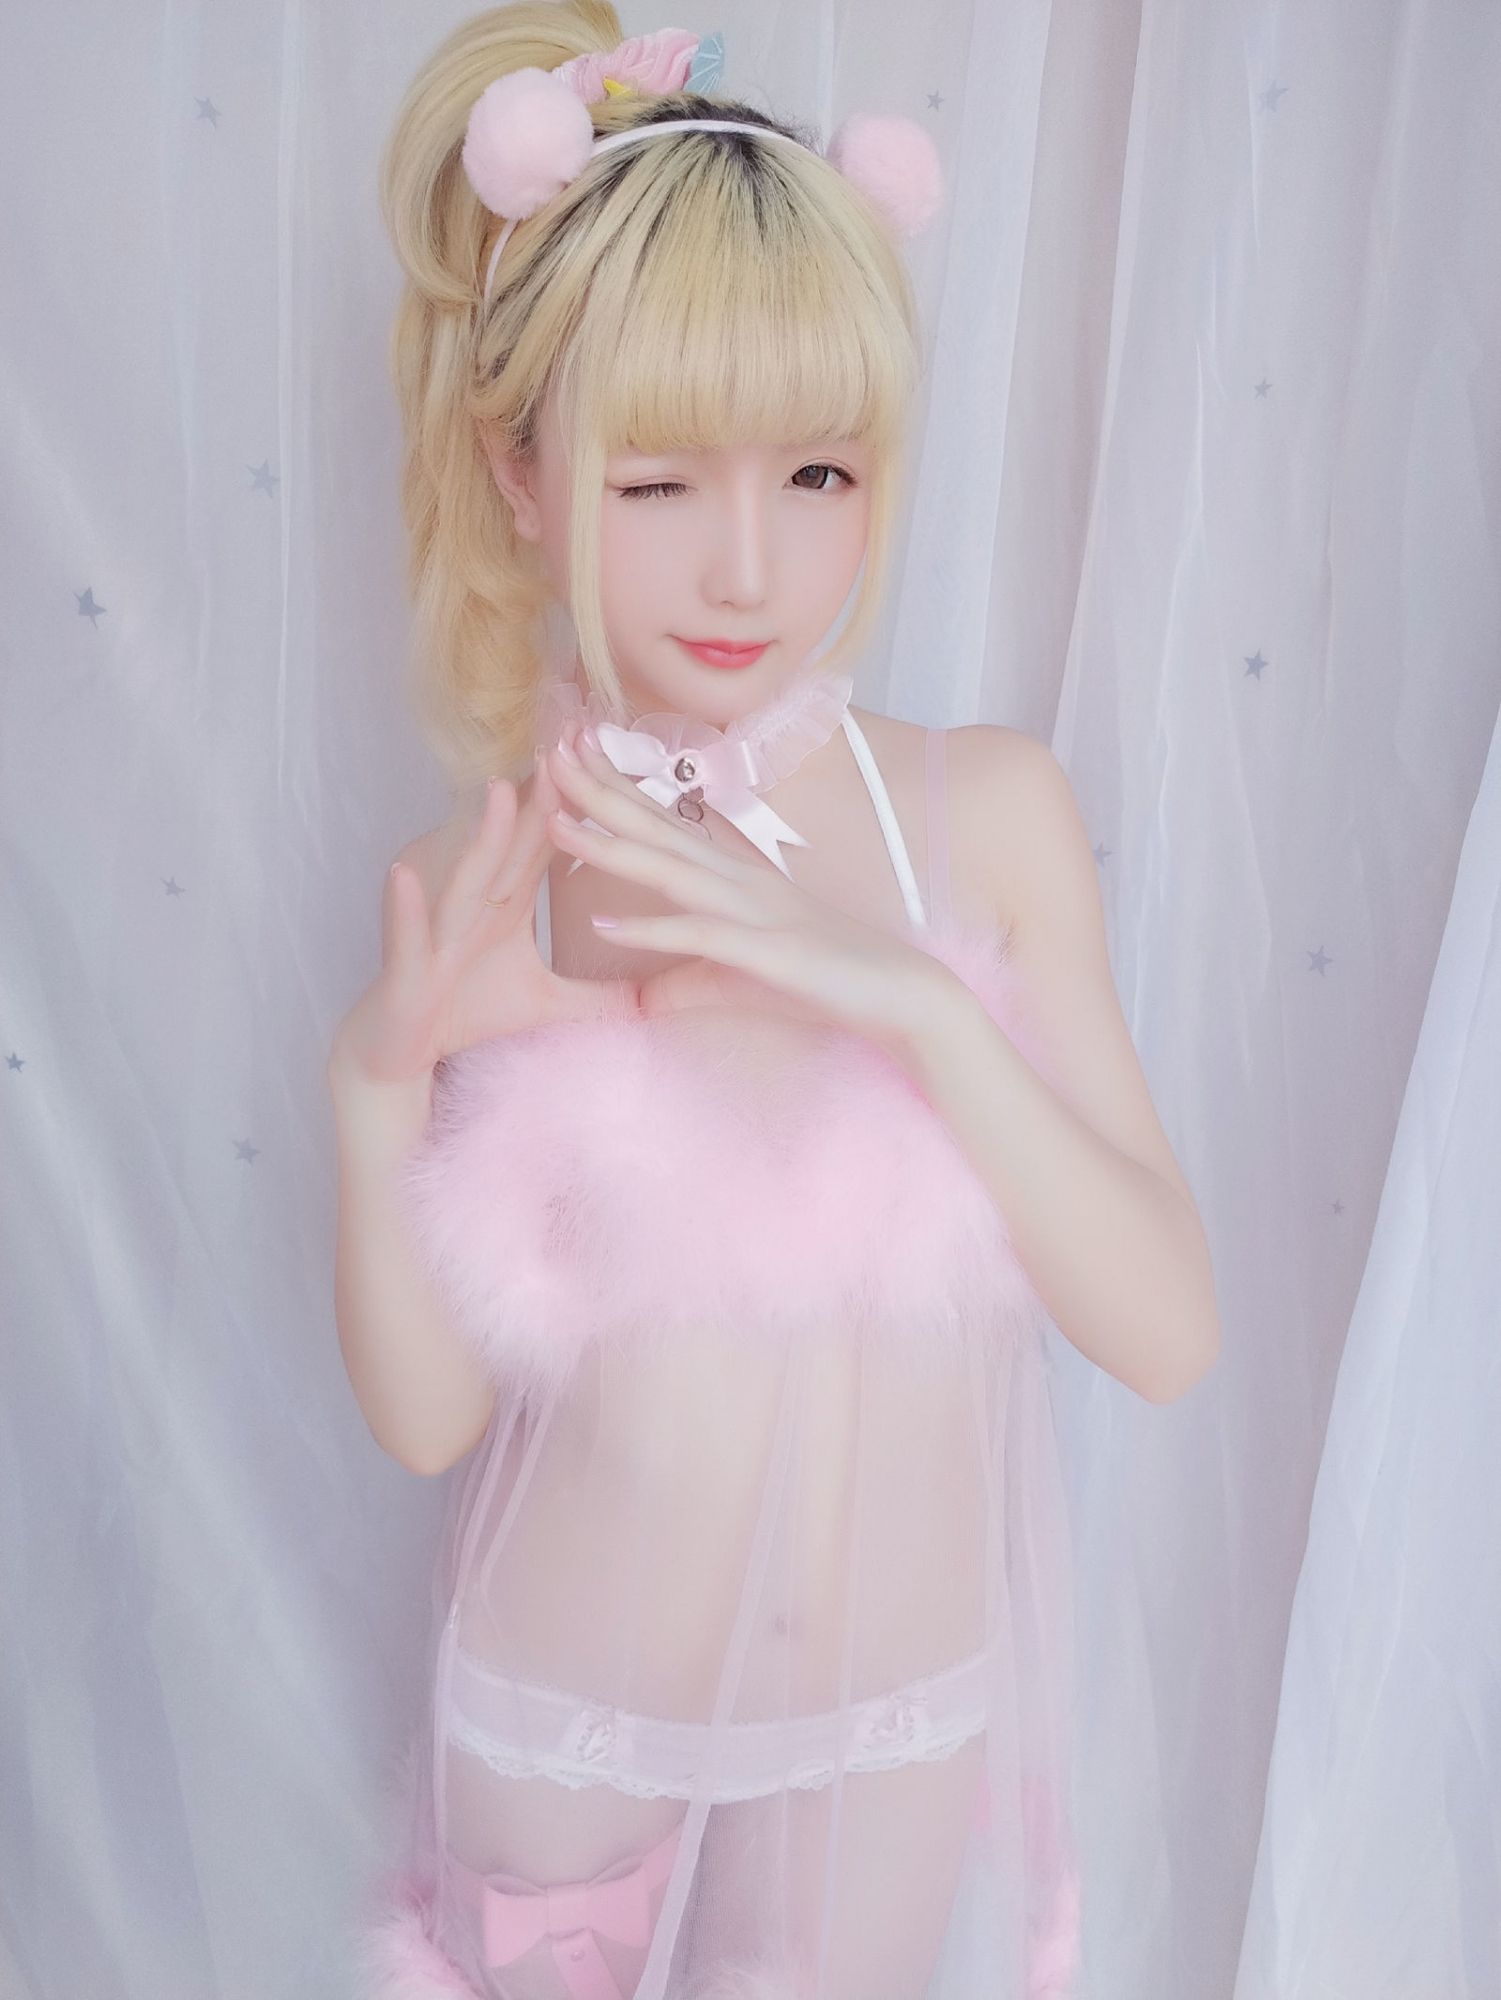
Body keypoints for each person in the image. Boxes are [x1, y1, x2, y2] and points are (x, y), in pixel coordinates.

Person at [328, 6, 1221, 1997]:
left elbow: (1164, 1330)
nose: (750, 566)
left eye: (818, 471)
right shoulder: (490, 881)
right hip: (573, 1716)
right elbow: (428, 1418)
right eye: (656, 482)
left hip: (891, 1712)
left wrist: (911, 1002)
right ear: (524, 474)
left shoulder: (982, 817)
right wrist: (376, 1093)